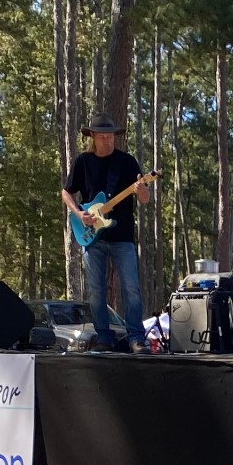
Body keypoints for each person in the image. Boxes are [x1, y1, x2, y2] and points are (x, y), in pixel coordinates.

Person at [61, 112, 151, 351]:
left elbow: (144, 199)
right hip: (92, 238)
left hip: (122, 237)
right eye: (102, 137)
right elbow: (66, 192)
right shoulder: (83, 162)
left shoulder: (127, 162)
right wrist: (80, 214)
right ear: (93, 137)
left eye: (110, 136)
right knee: (96, 291)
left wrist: (141, 189)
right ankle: (104, 337)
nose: (107, 141)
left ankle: (136, 337)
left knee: (131, 288)